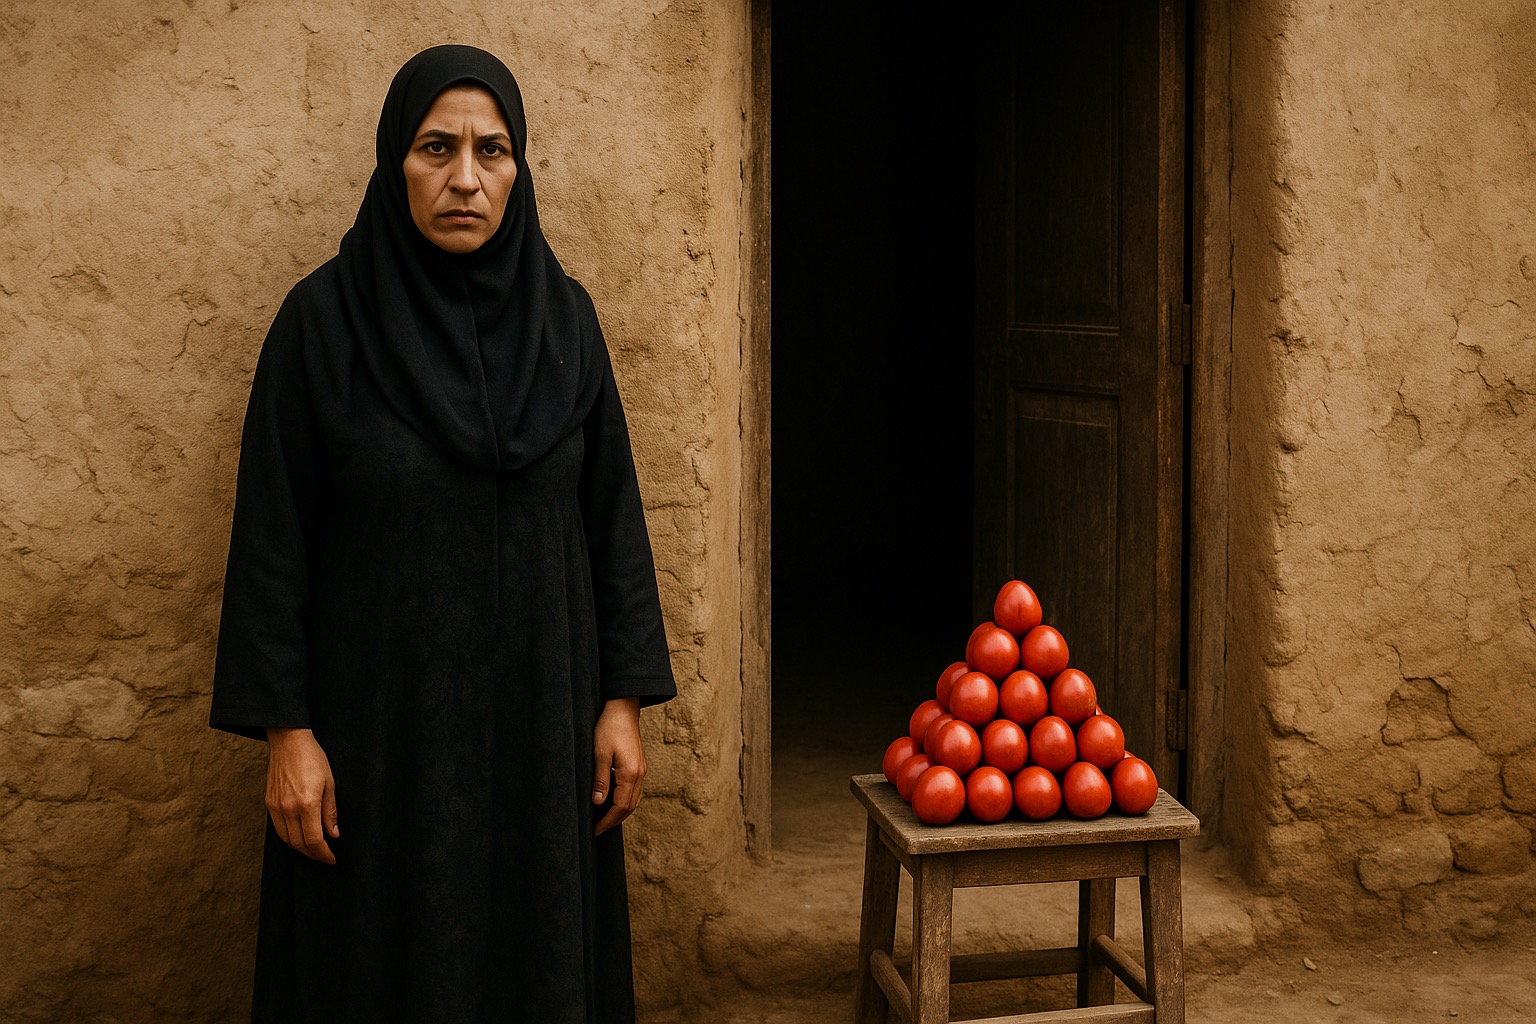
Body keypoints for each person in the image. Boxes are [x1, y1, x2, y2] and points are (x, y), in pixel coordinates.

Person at [209, 44, 676, 1024]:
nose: (466, 177)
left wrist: (622, 702)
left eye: (491, 150)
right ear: (396, 160)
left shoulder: (566, 323)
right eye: (437, 148)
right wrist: (287, 734)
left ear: (518, 166)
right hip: (378, 745)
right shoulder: (323, 324)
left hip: (545, 734)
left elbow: (612, 520)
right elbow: (271, 545)